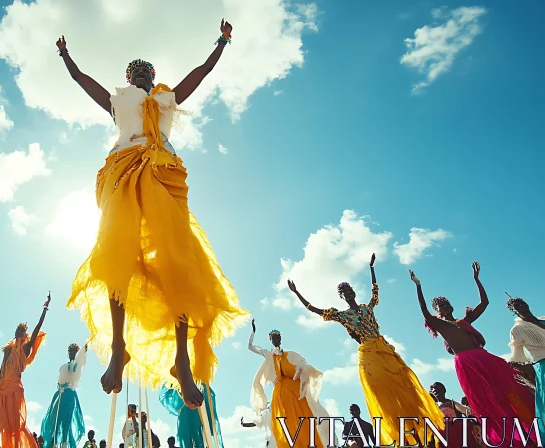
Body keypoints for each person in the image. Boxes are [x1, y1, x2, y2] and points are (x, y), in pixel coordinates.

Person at [57, 19, 249, 407]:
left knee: (178, 260)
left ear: (154, 76)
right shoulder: (119, 100)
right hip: (123, 170)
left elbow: (204, 71)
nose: (142, 73)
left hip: (162, 173)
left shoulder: (166, 99)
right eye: (135, 71)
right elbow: (81, 79)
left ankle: (182, 361)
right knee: (117, 256)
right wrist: (65, 56)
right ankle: (118, 348)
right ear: (128, 77)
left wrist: (223, 41)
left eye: (147, 70)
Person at [289, 253, 442, 446]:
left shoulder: (366, 308)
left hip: (385, 349)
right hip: (368, 355)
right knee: (383, 392)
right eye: (343, 292)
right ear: (341, 297)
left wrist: (371, 268)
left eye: (349, 289)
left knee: (405, 385)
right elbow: (314, 309)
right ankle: (400, 434)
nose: (348, 292)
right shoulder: (341, 315)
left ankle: (419, 432)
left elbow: (375, 293)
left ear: (353, 291)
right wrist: (296, 293)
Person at [410, 265, 534, 447]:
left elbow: (485, 303)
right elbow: (424, 312)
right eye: (441, 305)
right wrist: (418, 287)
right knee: (488, 401)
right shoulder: (440, 325)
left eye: (447, 303)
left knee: (512, 388)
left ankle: (530, 428)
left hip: (483, 357)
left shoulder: (464, 321)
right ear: (438, 310)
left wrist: (476, 279)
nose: (446, 306)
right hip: (467, 363)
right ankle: (507, 438)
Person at [0, 295, 50, 448]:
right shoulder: (8, 349)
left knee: (13, 426)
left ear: (25, 334)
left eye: (22, 330)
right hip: (1, 388)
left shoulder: (25, 348)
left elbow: (36, 329)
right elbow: (2, 368)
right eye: (18, 329)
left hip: (14, 389)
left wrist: (45, 309)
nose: (19, 331)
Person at [249, 319, 330, 448]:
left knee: (304, 419)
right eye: (273, 337)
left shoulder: (291, 355)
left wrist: (301, 371)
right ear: (270, 340)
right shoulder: (269, 355)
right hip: (280, 393)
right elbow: (250, 347)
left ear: (280, 339)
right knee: (285, 422)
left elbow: (302, 366)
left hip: (296, 391)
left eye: (278, 337)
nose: (276, 339)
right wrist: (253, 332)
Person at [507, 296, 545, 439]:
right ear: (513, 311)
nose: (520, 306)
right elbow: (516, 355)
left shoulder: (543, 319)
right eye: (516, 305)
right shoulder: (517, 329)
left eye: (522, 302)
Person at [42, 343, 89, 448]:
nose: (72, 353)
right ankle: (52, 444)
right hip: (60, 395)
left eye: (74, 352)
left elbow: (80, 364)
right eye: (70, 351)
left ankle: (64, 444)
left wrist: (84, 351)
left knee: (66, 422)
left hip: (69, 396)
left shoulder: (76, 367)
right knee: (55, 420)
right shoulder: (63, 367)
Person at [429, 382, 482, 448]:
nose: (436, 393)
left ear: (444, 391)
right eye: (434, 392)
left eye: (438, 390)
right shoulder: (434, 407)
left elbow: (466, 411)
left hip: (457, 434)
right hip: (442, 436)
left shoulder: (452, 403)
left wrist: (469, 401)